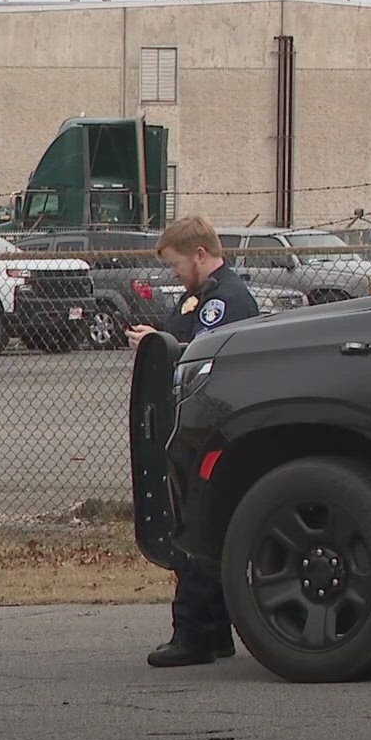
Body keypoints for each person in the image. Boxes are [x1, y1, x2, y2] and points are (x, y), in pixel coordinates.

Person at [126, 215, 259, 667]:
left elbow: (205, 354)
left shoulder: (224, 300)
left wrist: (160, 343)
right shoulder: (200, 298)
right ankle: (211, 631)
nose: (174, 274)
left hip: (209, 423)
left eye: (176, 264)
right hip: (200, 421)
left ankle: (196, 633)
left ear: (200, 255)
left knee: (192, 524)